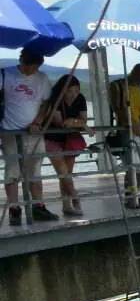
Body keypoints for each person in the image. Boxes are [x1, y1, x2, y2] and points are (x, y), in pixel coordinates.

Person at [1, 48, 56, 225]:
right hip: (10, 131)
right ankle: (14, 209)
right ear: (22, 60)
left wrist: (38, 122)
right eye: (27, 66)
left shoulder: (42, 78)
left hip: (34, 133)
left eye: (34, 67)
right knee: (12, 172)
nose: (30, 70)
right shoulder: (5, 75)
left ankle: (38, 206)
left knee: (35, 171)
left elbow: (46, 103)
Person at [38, 74, 88, 217]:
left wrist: (75, 122)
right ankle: (75, 197)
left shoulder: (80, 99)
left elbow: (83, 119)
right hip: (52, 139)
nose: (73, 95)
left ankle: (66, 206)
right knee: (64, 173)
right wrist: (77, 122)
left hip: (70, 140)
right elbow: (62, 123)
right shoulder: (55, 100)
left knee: (66, 175)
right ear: (63, 90)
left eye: (76, 91)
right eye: (70, 91)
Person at [108, 64, 140, 209]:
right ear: (136, 73)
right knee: (132, 166)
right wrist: (132, 123)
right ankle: (130, 197)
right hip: (128, 131)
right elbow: (117, 108)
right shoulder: (118, 86)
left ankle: (135, 195)